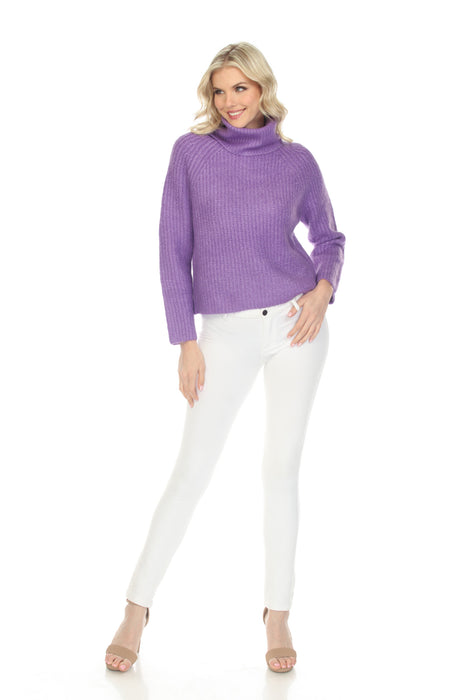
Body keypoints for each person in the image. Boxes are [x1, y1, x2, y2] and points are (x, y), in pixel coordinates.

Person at [105, 41, 345, 674]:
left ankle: (277, 614)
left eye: (241, 88)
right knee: (191, 471)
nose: (230, 101)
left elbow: (328, 236)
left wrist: (323, 289)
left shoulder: (296, 161)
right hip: (224, 333)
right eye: (219, 90)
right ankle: (135, 608)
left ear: (263, 88)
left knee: (281, 469)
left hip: (296, 324)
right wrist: (184, 340)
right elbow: (171, 248)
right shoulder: (192, 154)